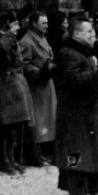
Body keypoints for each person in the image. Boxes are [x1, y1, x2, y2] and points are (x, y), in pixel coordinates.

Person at [54, 16, 98, 195]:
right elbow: (74, 80)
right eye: (89, 32)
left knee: (83, 151)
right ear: (77, 34)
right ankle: (77, 193)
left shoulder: (82, 52)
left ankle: (84, 188)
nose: (93, 36)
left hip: (84, 112)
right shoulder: (68, 54)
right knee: (74, 152)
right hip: (74, 113)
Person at [20, 11, 57, 166]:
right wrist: (40, 71)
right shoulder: (27, 41)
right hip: (37, 87)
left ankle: (44, 151)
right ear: (34, 24)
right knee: (38, 121)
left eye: (47, 23)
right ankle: (36, 153)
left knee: (47, 119)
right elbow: (24, 65)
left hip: (46, 84)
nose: (47, 25)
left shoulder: (42, 38)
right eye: (44, 23)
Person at [0, 8, 34, 176]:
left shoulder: (12, 40)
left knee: (13, 125)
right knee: (4, 125)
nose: (17, 26)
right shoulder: (3, 39)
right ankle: (5, 160)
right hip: (2, 86)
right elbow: (4, 62)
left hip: (13, 85)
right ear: (6, 23)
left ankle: (12, 159)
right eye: (14, 23)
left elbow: (18, 61)